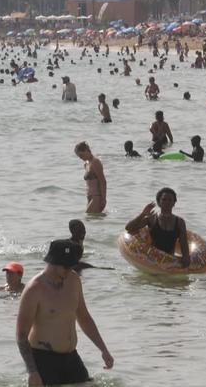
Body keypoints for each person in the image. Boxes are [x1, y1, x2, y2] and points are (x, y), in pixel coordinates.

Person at [15, 239, 114, 387]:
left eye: (71, 266)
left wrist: (103, 349)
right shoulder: (34, 289)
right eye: (65, 267)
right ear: (53, 263)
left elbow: (84, 317)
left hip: (71, 357)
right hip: (44, 360)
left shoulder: (73, 280)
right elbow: (21, 336)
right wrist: (32, 372)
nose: (69, 270)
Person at [124, 188, 191, 267]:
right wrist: (143, 214)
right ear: (159, 202)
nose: (167, 202)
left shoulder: (179, 222)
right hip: (151, 260)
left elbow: (183, 243)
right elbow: (129, 228)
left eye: (170, 200)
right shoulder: (151, 219)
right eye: (164, 199)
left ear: (174, 203)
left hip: (170, 260)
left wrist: (186, 258)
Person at [74, 142, 106, 214]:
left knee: (88, 218)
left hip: (96, 197)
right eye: (79, 156)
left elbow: (103, 181)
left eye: (81, 155)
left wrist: (103, 199)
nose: (80, 158)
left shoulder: (95, 162)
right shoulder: (86, 164)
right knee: (91, 220)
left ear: (86, 150)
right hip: (89, 196)